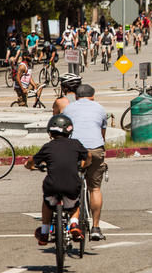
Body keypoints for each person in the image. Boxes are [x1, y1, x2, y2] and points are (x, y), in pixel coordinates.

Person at [24, 115, 90, 245]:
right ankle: (74, 224)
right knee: (75, 204)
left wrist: (30, 166)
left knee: (47, 202)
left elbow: (32, 160)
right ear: (69, 131)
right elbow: (88, 155)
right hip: (71, 185)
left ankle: (44, 231)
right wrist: (84, 164)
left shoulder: (48, 147)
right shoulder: (75, 144)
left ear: (50, 132)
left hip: (52, 186)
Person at [62, 84, 108, 241]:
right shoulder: (100, 108)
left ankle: (72, 221)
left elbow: (64, 132)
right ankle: (95, 227)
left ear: (76, 97)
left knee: (69, 186)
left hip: (74, 150)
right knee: (95, 188)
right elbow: (102, 134)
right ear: (93, 96)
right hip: (95, 148)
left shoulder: (68, 109)